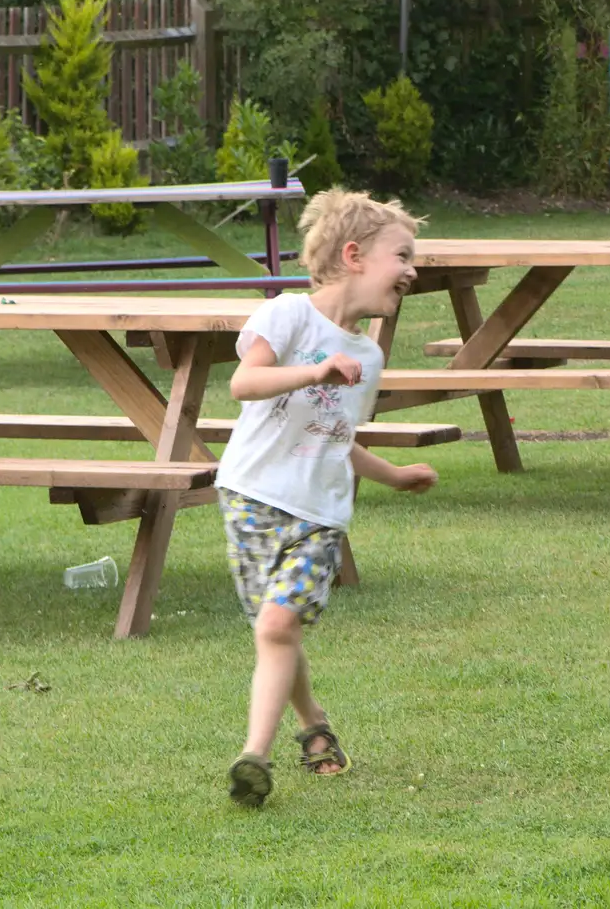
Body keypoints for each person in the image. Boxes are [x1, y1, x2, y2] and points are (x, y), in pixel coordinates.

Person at [216, 187, 439, 806]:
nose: (413, 270)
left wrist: (391, 474)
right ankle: (314, 726)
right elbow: (244, 382)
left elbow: (339, 437)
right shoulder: (285, 316)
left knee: (277, 624)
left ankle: (253, 758)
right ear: (354, 255)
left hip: (319, 514)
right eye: (403, 255)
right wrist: (315, 369)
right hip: (249, 496)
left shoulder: (368, 356)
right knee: (275, 632)